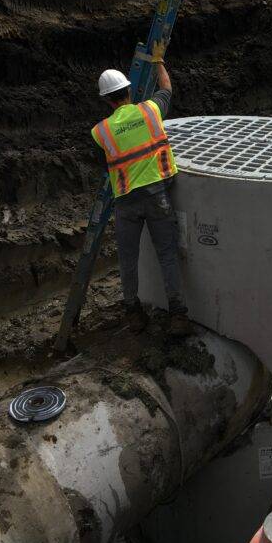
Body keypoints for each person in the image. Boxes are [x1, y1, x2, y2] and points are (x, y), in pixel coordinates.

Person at [91, 41, 191, 336]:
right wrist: (158, 60)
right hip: (157, 196)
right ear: (129, 91)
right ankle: (179, 316)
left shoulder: (101, 131)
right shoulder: (149, 111)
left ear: (106, 100)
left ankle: (133, 314)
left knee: (128, 260)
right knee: (167, 255)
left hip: (126, 204)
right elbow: (167, 89)